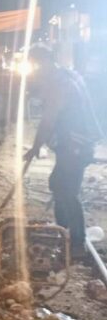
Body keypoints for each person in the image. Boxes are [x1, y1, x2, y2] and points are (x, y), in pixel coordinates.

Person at [23, 44, 103, 258]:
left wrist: (35, 148)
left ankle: (76, 243)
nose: (35, 72)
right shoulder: (66, 74)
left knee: (67, 192)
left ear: (43, 63)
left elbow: (48, 121)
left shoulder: (60, 84)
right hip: (73, 143)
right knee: (58, 184)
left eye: (35, 66)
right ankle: (64, 233)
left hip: (75, 145)